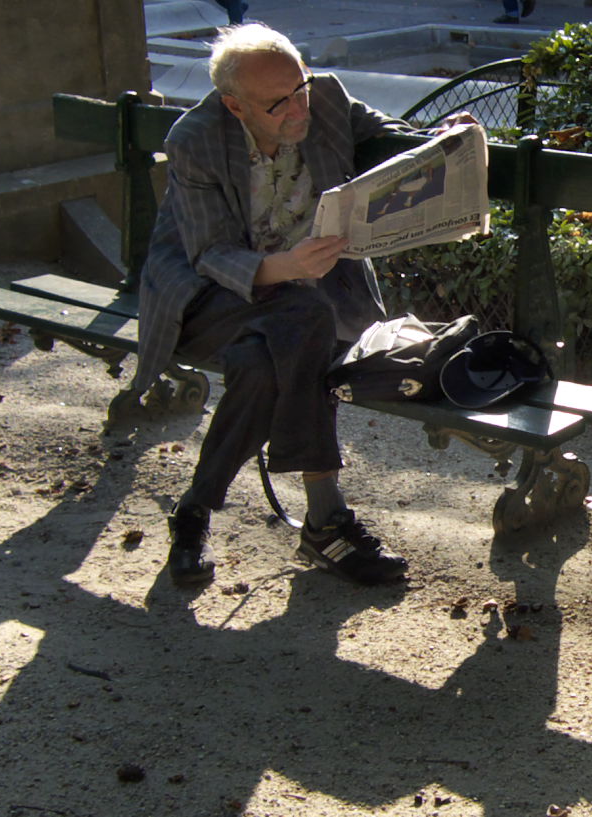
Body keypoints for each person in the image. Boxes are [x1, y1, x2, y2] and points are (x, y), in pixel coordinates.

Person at [133, 24, 421, 588]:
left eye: (300, 88)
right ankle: (325, 520)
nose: (297, 109)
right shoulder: (196, 139)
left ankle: (195, 511)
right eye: (278, 102)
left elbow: (386, 133)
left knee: (267, 363)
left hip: (299, 305)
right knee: (309, 321)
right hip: (213, 295)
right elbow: (211, 253)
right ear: (235, 105)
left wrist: (442, 137)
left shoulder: (326, 98)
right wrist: (289, 268)